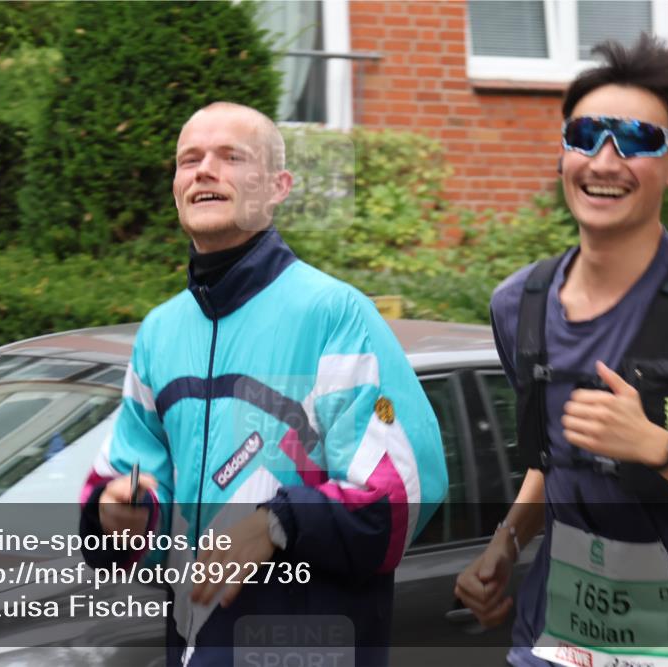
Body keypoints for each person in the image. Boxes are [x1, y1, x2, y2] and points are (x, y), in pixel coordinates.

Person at [78, 101, 448, 666]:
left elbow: (400, 497)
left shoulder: (335, 315)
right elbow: (133, 492)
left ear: (278, 187)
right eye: (189, 160)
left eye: (231, 156)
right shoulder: (159, 332)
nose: (204, 170)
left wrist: (277, 523)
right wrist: (117, 516)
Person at [455, 35, 668, 667]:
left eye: (638, 140)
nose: (605, 158)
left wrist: (661, 447)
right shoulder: (520, 304)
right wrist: (505, 544)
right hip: (553, 644)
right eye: (585, 134)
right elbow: (554, 460)